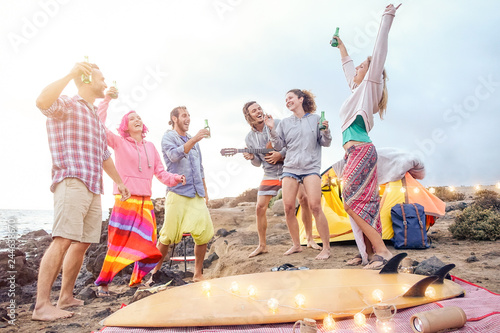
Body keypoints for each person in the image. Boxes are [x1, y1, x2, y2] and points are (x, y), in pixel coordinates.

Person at [32, 61, 131, 321]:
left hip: (93, 185)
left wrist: (120, 182)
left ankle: (65, 296)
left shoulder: (95, 118)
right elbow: (42, 101)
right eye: (101, 78)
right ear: (86, 80)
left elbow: (104, 155)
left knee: (84, 242)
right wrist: (69, 74)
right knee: (63, 239)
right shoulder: (67, 103)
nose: (105, 82)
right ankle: (42, 306)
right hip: (71, 179)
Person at [93, 89, 186, 296]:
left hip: (145, 202)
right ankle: (103, 283)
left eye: (139, 118)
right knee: (118, 243)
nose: (136, 120)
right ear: (125, 125)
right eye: (131, 118)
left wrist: (176, 179)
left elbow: (160, 173)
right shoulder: (118, 142)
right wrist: (107, 99)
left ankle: (136, 280)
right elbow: (98, 125)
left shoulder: (150, 147)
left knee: (149, 243)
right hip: (125, 200)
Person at [332, 3, 401, 269]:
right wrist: (342, 48)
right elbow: (349, 71)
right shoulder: (356, 92)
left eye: (363, 67)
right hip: (355, 152)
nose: (359, 68)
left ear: (370, 75)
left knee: (351, 201)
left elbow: (378, 50)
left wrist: (387, 17)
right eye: (360, 67)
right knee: (364, 202)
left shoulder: (369, 87)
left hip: (361, 150)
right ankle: (372, 254)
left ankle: (382, 251)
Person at [242, 101, 322, 258]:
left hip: (290, 168)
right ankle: (262, 245)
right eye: (254, 110)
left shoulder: (277, 123)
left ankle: (310, 238)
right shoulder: (249, 138)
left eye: (259, 108)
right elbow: (258, 163)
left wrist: (281, 154)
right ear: (248, 116)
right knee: (260, 207)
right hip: (270, 173)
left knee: (304, 199)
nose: (258, 111)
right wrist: (251, 157)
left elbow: (292, 144)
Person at [149, 106, 214, 282]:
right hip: (177, 192)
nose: (188, 118)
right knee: (167, 235)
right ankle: (154, 272)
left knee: (204, 232)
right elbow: (173, 156)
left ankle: (198, 274)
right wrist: (194, 139)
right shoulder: (169, 137)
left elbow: (200, 167)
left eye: (189, 115)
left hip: (196, 192)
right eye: (184, 115)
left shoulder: (194, 141)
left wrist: (205, 191)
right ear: (175, 118)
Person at [266, 90, 332, 260]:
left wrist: (326, 131)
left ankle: (326, 248)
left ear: (301, 99)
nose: (287, 101)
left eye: (290, 98)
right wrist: (272, 129)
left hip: (311, 168)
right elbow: (279, 145)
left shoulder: (316, 119)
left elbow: (325, 142)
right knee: (288, 207)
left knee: (315, 206)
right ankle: (296, 245)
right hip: (290, 168)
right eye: (285, 99)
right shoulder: (285, 123)